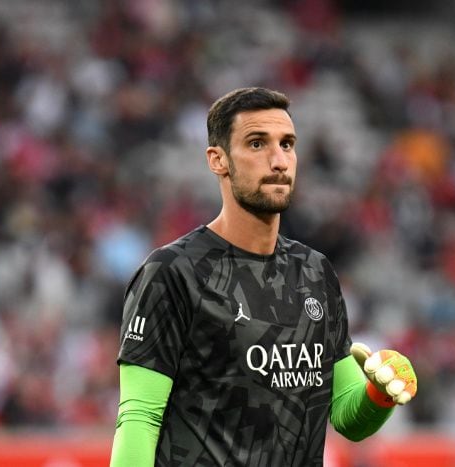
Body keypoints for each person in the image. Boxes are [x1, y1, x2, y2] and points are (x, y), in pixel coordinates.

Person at [109, 87, 417, 466]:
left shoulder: (315, 272)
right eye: (257, 144)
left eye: (287, 144)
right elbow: (139, 417)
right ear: (218, 160)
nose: (279, 160)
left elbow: (347, 418)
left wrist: (380, 393)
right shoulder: (174, 272)